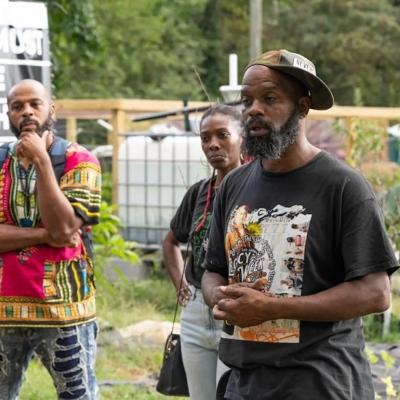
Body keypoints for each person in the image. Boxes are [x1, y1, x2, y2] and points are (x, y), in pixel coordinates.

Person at [201, 49, 399, 400]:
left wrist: (273, 307)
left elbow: (375, 293)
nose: (254, 110)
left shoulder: (343, 187)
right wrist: (218, 295)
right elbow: (213, 269)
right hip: (244, 384)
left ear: (303, 107)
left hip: (320, 383)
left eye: (270, 98)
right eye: (247, 101)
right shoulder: (234, 184)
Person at [0, 79, 101, 399]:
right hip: (3, 310)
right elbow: (59, 232)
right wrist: (47, 235)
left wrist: (43, 162)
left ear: (51, 110)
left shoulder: (80, 160)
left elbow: (66, 225)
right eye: (17, 106)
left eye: (35, 104)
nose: (26, 112)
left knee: (77, 395)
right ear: (8, 115)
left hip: (64, 310)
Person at [162, 104, 243, 400]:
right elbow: (171, 241)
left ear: (242, 137)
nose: (213, 145)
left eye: (222, 135)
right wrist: (180, 284)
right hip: (196, 310)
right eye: (205, 138)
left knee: (231, 394)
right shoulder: (199, 192)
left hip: (235, 309)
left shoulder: (255, 189)